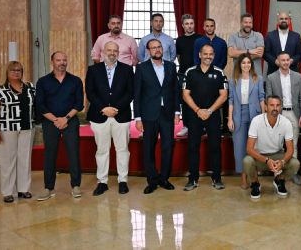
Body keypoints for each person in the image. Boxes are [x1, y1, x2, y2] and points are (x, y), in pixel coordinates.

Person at [85, 42, 134, 196]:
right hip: (99, 116)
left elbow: (130, 92)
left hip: (122, 116)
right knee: (102, 150)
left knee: (123, 150)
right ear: (103, 52)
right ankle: (102, 182)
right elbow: (90, 92)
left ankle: (123, 181)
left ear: (118, 53)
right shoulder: (93, 70)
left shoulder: (127, 70)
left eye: (115, 50)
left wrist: (116, 108)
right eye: (109, 50)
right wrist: (104, 108)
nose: (112, 53)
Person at [35, 52, 84, 201]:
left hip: (70, 120)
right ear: (52, 62)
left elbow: (79, 103)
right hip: (50, 121)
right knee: (50, 154)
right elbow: (40, 105)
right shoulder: (43, 82)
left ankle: (76, 185)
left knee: (73, 153)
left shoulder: (75, 80)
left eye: (64, 60)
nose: (62, 62)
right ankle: (48, 188)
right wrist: (56, 119)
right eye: (58, 60)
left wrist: (66, 118)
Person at [134, 39, 180, 194]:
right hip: (148, 114)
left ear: (162, 49)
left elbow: (175, 90)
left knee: (168, 146)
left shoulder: (171, 66)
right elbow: (137, 94)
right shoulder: (141, 68)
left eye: (159, 47)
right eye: (153, 48)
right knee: (149, 148)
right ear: (148, 51)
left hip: (167, 113)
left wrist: (177, 112)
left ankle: (164, 178)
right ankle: (152, 180)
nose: (157, 50)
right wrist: (138, 118)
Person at [182, 44, 229, 191]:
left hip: (213, 115)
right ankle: (193, 179)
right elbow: (185, 94)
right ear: (200, 55)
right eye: (205, 54)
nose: (208, 56)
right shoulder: (190, 72)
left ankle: (216, 178)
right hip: (194, 115)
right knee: (193, 147)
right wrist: (197, 110)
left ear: (213, 56)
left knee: (215, 147)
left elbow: (224, 95)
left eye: (211, 54)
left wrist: (209, 111)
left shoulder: (219, 72)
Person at [0, 62, 36, 203]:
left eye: (19, 70)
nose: (16, 72)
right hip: (7, 129)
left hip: (27, 127)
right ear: (7, 72)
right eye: (13, 70)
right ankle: (8, 192)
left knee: (25, 159)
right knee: (8, 160)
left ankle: (23, 189)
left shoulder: (30, 87)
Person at [243, 96, 300, 199]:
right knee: (247, 161)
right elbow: (249, 149)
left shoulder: (286, 122)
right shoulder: (256, 121)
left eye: (278, 105)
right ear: (265, 107)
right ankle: (255, 184)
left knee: (295, 164)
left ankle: (279, 180)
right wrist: (266, 160)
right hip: (260, 156)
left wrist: (282, 162)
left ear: (281, 107)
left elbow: (290, 149)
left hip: (277, 154)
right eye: (272, 105)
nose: (275, 108)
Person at [265, 51, 301, 184]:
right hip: (278, 114)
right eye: (282, 60)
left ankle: (293, 172)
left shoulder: (298, 76)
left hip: (294, 113)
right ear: (278, 61)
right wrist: (271, 116)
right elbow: (269, 98)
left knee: (293, 143)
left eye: (287, 60)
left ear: (290, 61)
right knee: (277, 144)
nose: (285, 62)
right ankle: (277, 172)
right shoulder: (271, 77)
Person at [228, 54, 265, 189]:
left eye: (248, 63)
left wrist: (264, 117)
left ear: (251, 65)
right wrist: (230, 118)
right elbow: (231, 100)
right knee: (240, 148)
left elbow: (262, 97)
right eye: (243, 63)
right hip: (239, 116)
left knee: (254, 148)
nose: (246, 65)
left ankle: (254, 177)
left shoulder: (258, 79)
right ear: (239, 65)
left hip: (255, 115)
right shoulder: (233, 80)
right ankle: (243, 178)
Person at [175, 14, 202, 138]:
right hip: (183, 74)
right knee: (185, 101)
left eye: (191, 23)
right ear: (182, 25)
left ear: (194, 24)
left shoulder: (200, 38)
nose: (189, 26)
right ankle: (186, 126)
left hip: (198, 73)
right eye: (187, 24)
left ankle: (200, 126)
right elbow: (179, 57)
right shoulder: (179, 40)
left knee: (199, 99)